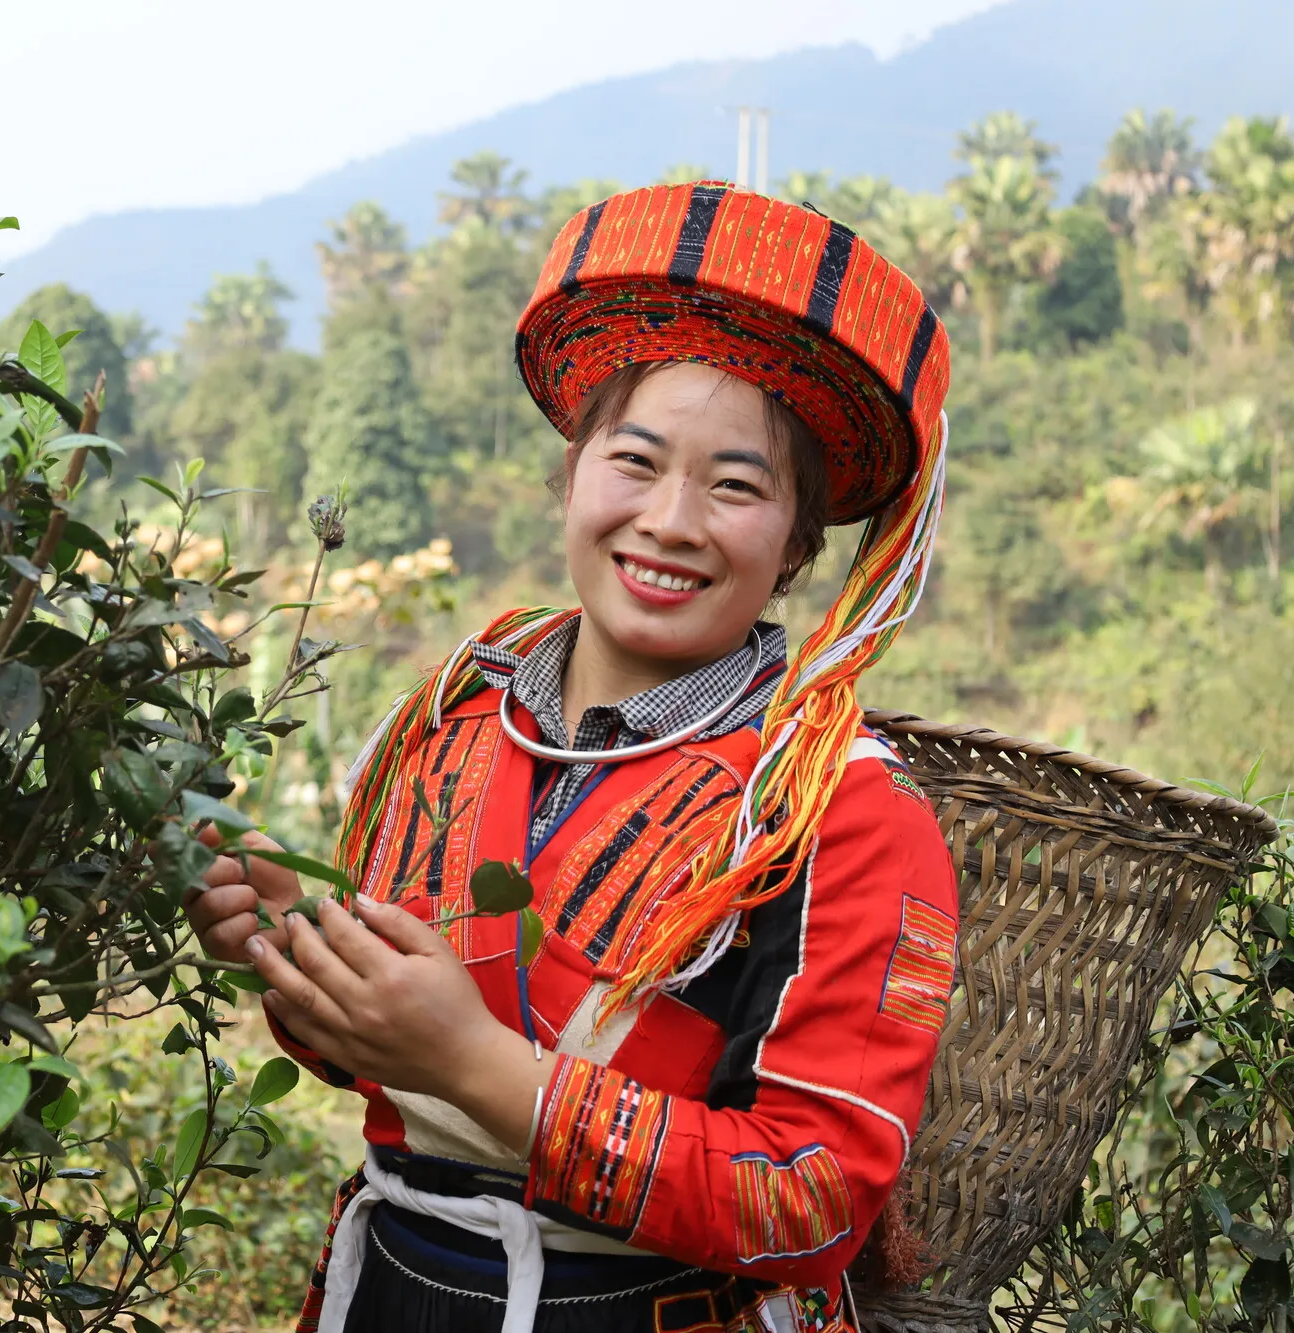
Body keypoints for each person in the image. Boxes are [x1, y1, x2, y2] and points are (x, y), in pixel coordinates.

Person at [186, 181, 959, 1333]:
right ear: (568, 474)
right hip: (393, 1294)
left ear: (797, 543)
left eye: (736, 485)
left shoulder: (832, 811)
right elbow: (379, 1072)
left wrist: (472, 1061)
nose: (670, 519)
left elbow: (813, 1198)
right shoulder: (442, 731)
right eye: (633, 460)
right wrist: (301, 959)